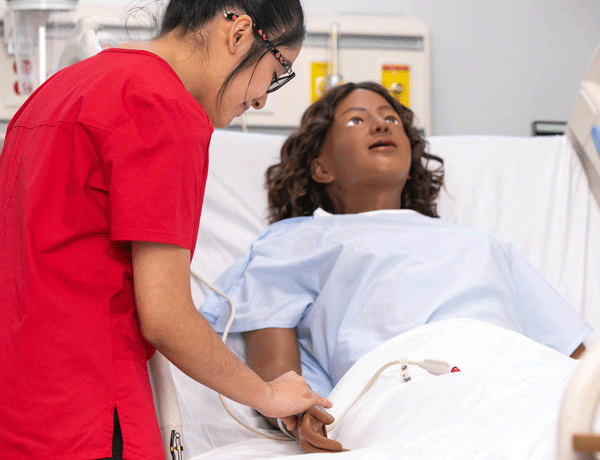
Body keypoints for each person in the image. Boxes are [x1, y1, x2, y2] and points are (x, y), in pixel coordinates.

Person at [0, 1, 333, 459]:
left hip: (18, 413)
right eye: (277, 72)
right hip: (92, 416)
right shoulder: (163, 109)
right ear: (237, 32)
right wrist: (269, 396)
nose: (261, 99)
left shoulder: (57, 90)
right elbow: (166, 318)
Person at [200, 82, 592, 453]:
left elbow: (575, 366)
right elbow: (278, 380)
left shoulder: (484, 245)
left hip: (523, 373)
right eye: (356, 119)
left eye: (391, 118)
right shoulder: (295, 242)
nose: (380, 123)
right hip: (405, 383)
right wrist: (302, 416)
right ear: (321, 168)